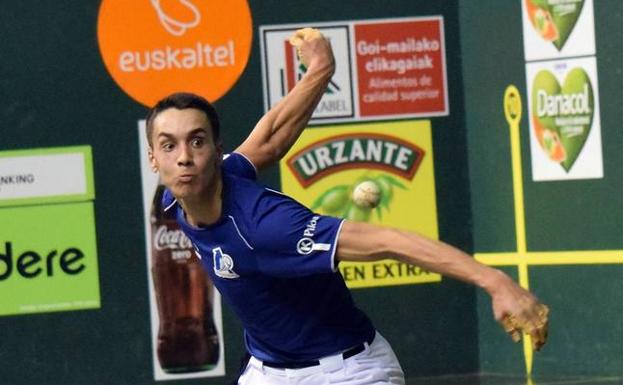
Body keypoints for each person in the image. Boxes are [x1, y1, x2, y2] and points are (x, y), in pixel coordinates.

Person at [145, 28, 549, 385]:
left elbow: (390, 241)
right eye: (169, 145)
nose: (183, 157)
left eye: (196, 141)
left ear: (216, 152)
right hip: (268, 371)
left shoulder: (266, 225)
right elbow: (270, 138)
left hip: (347, 371)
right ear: (155, 160)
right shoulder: (180, 192)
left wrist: (495, 282)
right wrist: (321, 68)